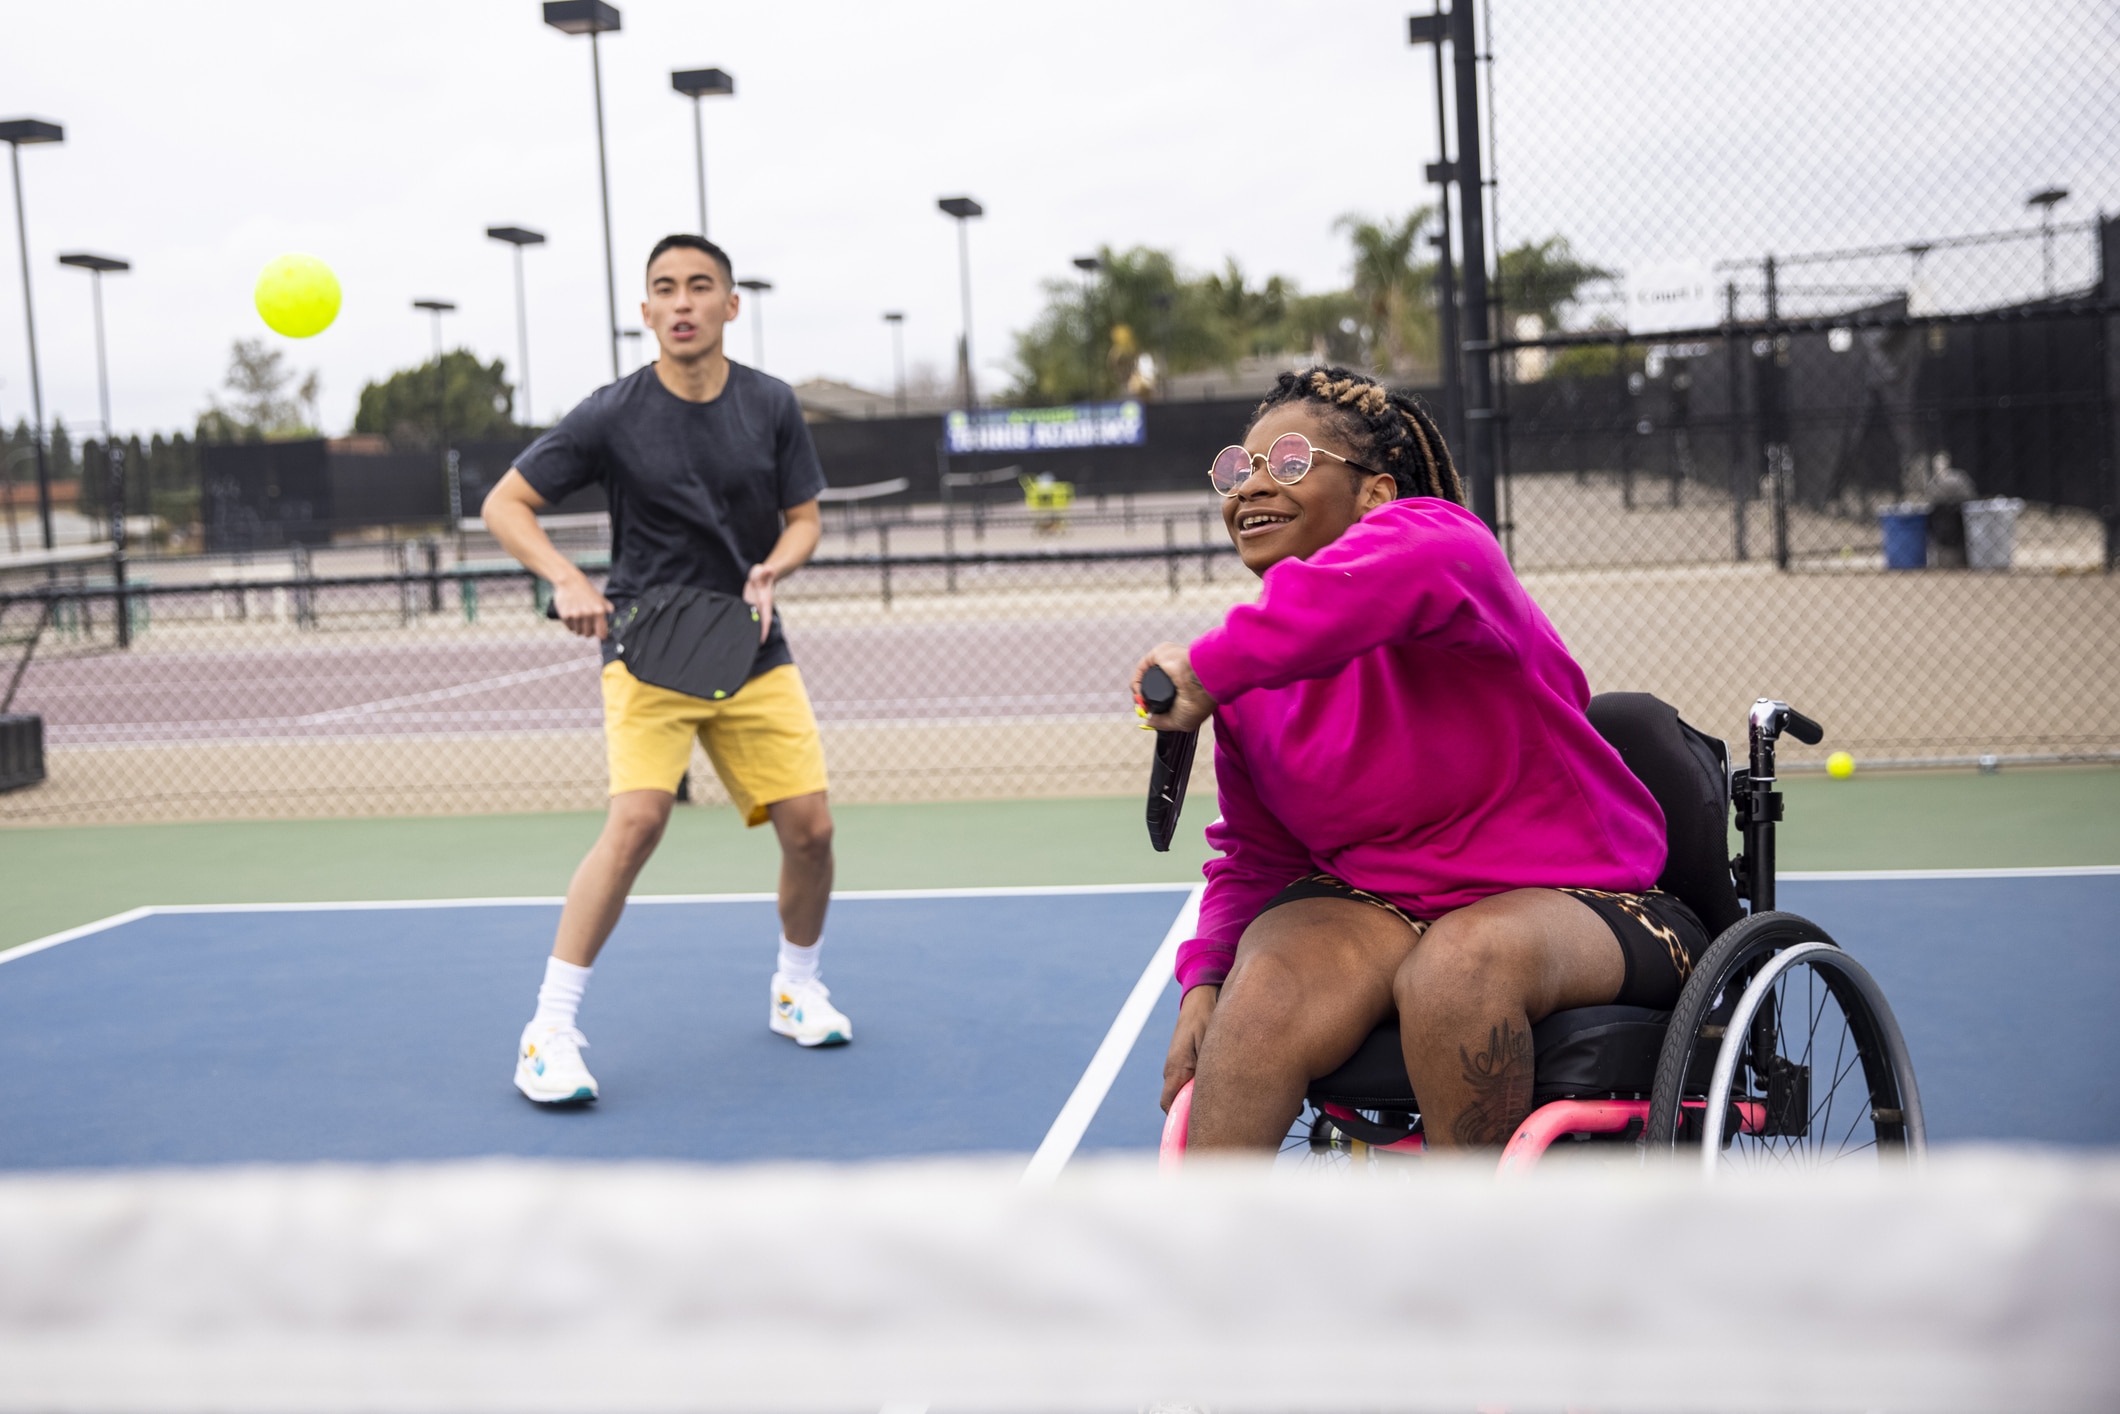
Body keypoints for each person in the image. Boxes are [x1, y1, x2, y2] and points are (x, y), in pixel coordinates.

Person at [1133, 367, 1705, 1152]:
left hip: (1583, 899)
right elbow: (1257, 859)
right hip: (1384, 906)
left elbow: (1377, 581)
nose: (1251, 486)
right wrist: (1204, 983)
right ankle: (1204, 1263)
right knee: (1262, 994)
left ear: (1375, 494)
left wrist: (1204, 668)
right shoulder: (1248, 676)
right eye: (1238, 469)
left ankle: (1466, 1254)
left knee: (1459, 966)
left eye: (1291, 461)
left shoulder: (1444, 547)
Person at [483, 233, 849, 1106]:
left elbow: (804, 518)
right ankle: (548, 1033)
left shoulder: (769, 405)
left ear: (730, 304)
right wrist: (565, 577)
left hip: (751, 644)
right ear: (645, 313)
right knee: (638, 822)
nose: (682, 302)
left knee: (812, 831)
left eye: (699, 287)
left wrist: (772, 567)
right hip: (647, 649)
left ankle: (797, 985)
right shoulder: (612, 413)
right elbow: (507, 503)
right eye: (664, 290)